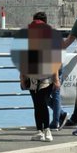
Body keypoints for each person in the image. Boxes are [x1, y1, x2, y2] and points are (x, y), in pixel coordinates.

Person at [19, 12, 58, 142]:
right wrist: (56, 80)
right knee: (43, 104)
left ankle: (40, 131)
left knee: (37, 105)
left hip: (32, 78)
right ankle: (46, 132)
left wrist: (22, 78)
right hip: (47, 78)